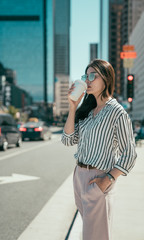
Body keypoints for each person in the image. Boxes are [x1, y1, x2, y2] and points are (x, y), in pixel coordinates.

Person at [61, 59, 137, 240]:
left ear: (106, 78)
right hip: (79, 177)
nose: (87, 80)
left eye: (93, 76)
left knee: (95, 236)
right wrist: (73, 107)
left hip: (98, 178)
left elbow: (130, 153)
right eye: (85, 76)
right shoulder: (88, 110)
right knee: (90, 233)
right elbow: (67, 139)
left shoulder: (116, 112)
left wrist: (108, 179)